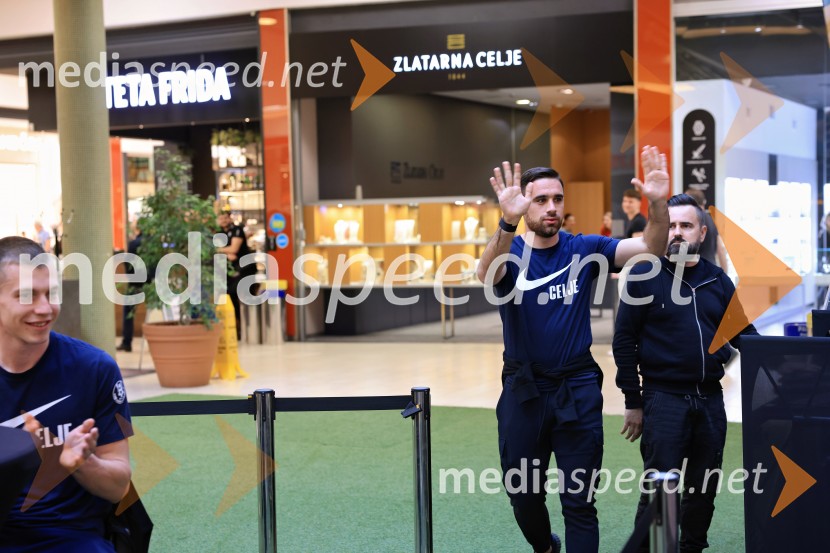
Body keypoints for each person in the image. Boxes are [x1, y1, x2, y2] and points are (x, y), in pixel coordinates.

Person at [477, 146, 670, 553]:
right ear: (524, 203)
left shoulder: (584, 248)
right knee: (523, 494)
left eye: (557, 199)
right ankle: (546, 547)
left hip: (577, 387)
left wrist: (657, 203)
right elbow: (486, 271)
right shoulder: (509, 252)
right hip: (524, 390)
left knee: (580, 500)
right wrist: (507, 222)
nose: (551, 208)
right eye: (540, 199)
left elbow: (651, 249)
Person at [613, 194, 758, 553]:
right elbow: (624, 343)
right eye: (672, 225)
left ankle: (693, 547)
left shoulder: (718, 281)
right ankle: (658, 549)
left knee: (703, 486)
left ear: (702, 233)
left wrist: (781, 360)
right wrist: (634, 401)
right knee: (661, 492)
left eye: (686, 225)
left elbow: (746, 336)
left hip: (710, 400)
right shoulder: (643, 277)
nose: (677, 233)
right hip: (663, 400)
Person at [0, 236, 132, 552]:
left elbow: (119, 486)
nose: (45, 308)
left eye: (52, 294)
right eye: (27, 296)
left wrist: (81, 463)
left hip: (70, 537)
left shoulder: (95, 368)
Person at [216, 210, 256, 340]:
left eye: (225, 218)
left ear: (229, 218)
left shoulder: (237, 229)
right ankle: (235, 328)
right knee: (228, 295)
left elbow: (234, 249)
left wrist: (223, 250)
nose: (223, 221)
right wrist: (226, 253)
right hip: (230, 269)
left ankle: (244, 328)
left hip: (244, 269)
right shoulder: (219, 233)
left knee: (236, 293)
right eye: (221, 219)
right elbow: (217, 250)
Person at [117, 222, 144, 353]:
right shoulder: (153, 244)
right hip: (154, 283)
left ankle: (127, 342)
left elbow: (129, 265)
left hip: (136, 283)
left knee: (128, 311)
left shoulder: (133, 244)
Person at [685, 188, 728, 270]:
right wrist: (725, 275)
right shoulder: (711, 220)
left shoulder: (690, 220)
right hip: (711, 269)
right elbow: (721, 249)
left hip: (695, 271)